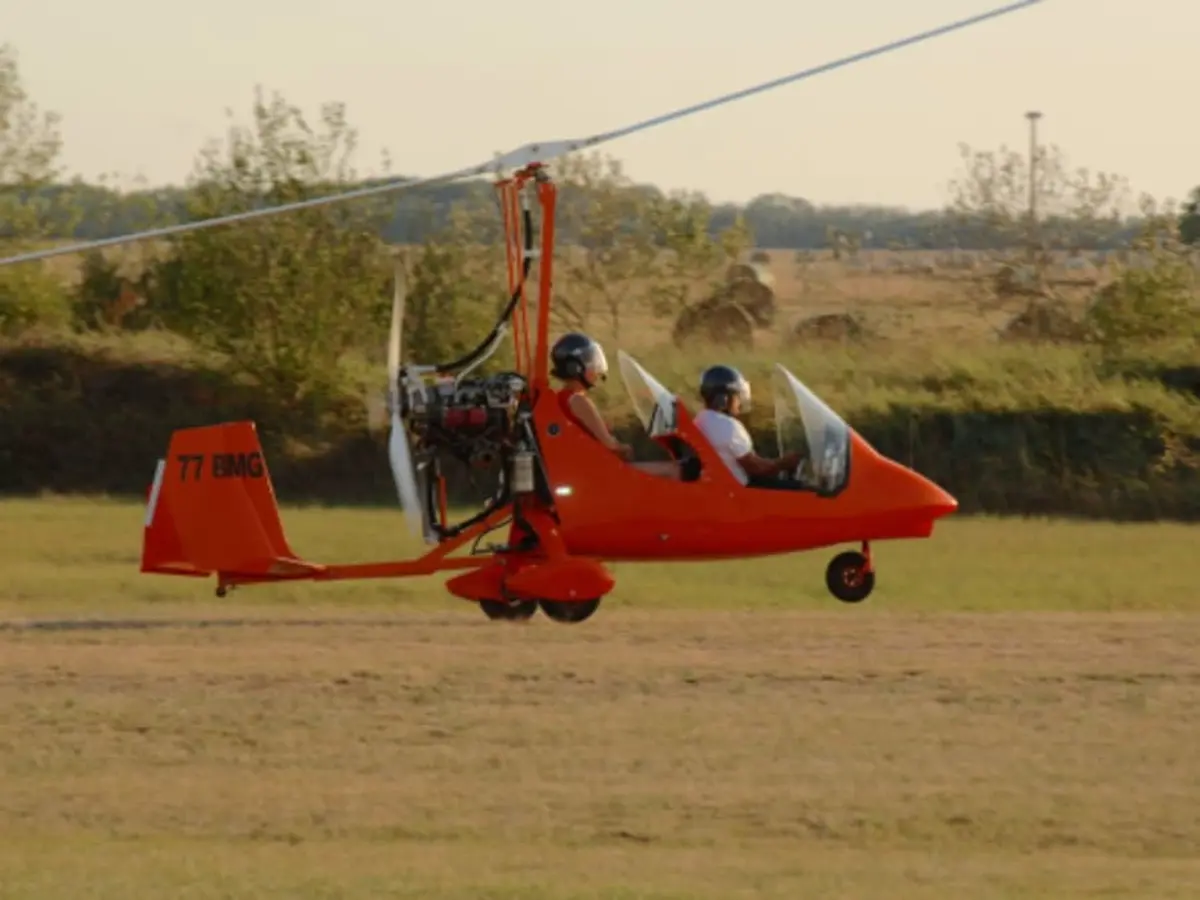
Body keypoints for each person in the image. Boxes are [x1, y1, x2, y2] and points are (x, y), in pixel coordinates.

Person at [550, 332, 681, 479]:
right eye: (589, 360)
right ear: (574, 367)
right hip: (600, 472)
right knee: (673, 470)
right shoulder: (578, 401)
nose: (595, 366)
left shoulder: (563, 398)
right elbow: (609, 444)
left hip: (590, 469)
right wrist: (625, 448)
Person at [692, 364, 802, 488]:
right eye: (737, 396)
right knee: (805, 490)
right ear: (724, 399)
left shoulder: (700, 420)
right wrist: (784, 463)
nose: (740, 401)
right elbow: (758, 468)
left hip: (721, 486)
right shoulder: (728, 427)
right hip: (740, 491)